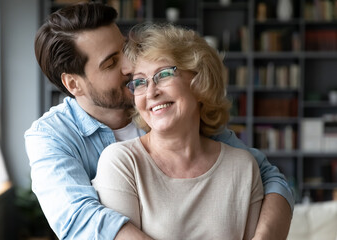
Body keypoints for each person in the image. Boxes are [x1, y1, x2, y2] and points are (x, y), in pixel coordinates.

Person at [25, 2, 293, 240]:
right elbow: (80, 221)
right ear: (74, 84)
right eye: (110, 63)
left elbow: (265, 176)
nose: (130, 68)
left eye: (124, 51)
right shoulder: (50, 137)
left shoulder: (172, 109)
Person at [92, 22, 264, 239]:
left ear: (198, 79)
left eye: (163, 74)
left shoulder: (243, 167)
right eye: (140, 82)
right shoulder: (122, 162)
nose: (151, 92)